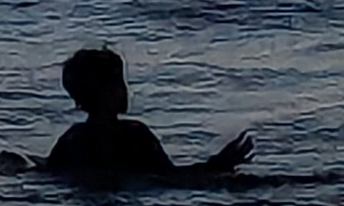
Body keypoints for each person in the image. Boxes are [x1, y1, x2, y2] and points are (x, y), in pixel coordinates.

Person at [27, 46, 250, 180]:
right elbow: (169, 178)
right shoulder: (134, 135)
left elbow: (49, 174)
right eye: (117, 84)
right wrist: (217, 165)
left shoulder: (72, 140)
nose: (124, 91)